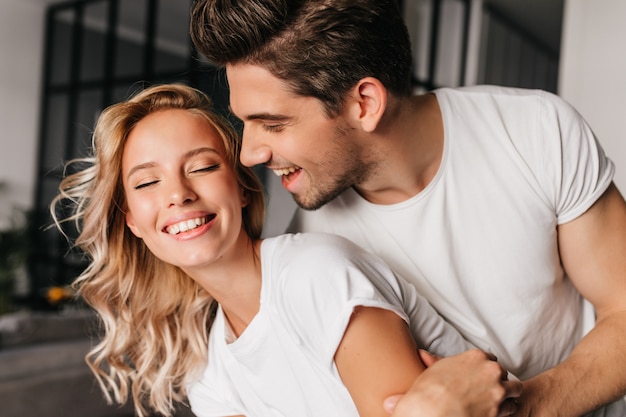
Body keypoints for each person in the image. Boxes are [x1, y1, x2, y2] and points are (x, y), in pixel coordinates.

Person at [189, 0, 626, 416]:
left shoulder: (536, 131)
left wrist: (526, 407)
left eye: (273, 124)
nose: (249, 154)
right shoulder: (314, 241)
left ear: (365, 103)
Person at [51, 84, 520, 417]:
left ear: (242, 189)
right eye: (148, 181)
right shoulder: (211, 374)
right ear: (131, 220)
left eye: (202, 167)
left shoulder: (316, 273)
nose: (178, 193)